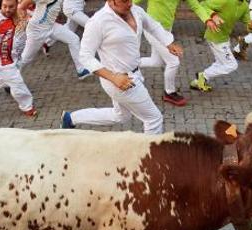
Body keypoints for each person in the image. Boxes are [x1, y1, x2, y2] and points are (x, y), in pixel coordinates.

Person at [62, 0, 182, 134]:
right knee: (154, 118)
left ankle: (71, 118)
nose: (129, 3)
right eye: (124, 1)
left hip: (133, 74)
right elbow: (85, 56)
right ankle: (152, 154)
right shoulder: (98, 22)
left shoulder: (136, 10)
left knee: (120, 116)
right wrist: (113, 78)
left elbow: (153, 26)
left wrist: (168, 43)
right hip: (119, 82)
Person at [134, 0, 212, 107]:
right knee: (173, 61)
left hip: (166, 29)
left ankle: (127, 64)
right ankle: (169, 93)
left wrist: (207, 20)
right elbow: (131, 2)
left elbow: (196, 6)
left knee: (156, 62)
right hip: (152, 30)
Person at [188, 0, 252, 92]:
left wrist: (251, 27)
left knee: (220, 63)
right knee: (231, 65)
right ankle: (203, 75)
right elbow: (203, 5)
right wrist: (213, 15)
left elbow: (248, 23)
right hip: (215, 37)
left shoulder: (245, 6)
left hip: (224, 37)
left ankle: (198, 82)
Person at [17, 0, 88, 80]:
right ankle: (7, 77)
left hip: (52, 26)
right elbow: (20, 7)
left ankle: (81, 70)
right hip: (37, 30)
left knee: (73, 39)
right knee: (26, 58)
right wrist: (27, 19)